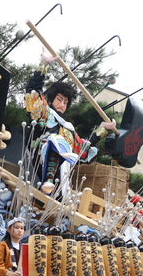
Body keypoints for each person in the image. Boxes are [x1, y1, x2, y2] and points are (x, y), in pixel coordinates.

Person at [25, 48, 115, 197]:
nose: (62, 105)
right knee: (55, 141)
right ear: (51, 100)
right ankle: (47, 180)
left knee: (64, 145)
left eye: (65, 102)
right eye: (59, 100)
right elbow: (33, 92)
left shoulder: (68, 128)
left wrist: (102, 129)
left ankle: (54, 186)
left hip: (60, 171)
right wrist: (44, 63)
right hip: (40, 159)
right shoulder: (45, 114)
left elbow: (82, 147)